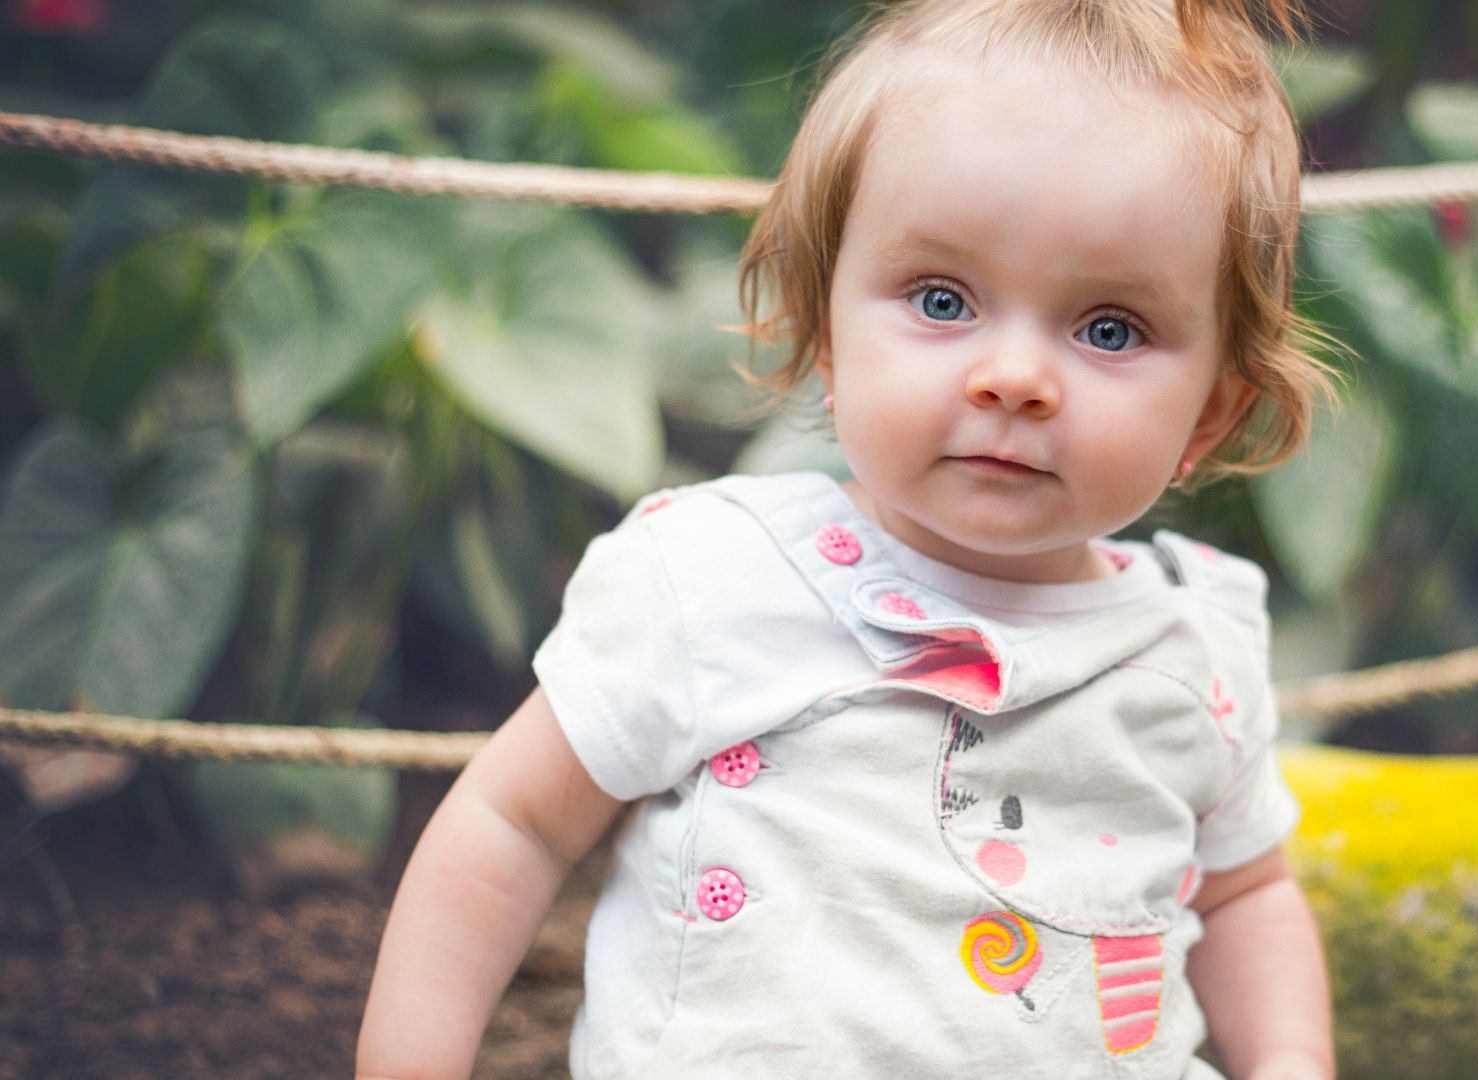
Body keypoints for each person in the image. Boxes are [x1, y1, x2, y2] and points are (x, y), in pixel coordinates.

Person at [357, 0, 1335, 1076]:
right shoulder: (716, 581)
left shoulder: (1194, 650)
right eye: (942, 297)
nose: (1014, 377)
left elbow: (1247, 893)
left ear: (1210, 413)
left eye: (1110, 328)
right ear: (824, 330)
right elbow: (513, 825)